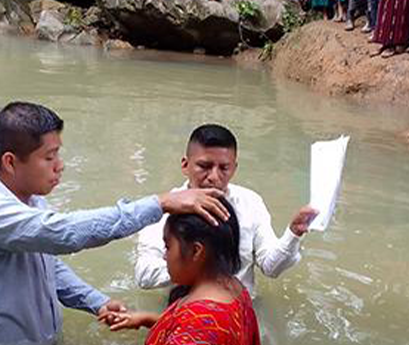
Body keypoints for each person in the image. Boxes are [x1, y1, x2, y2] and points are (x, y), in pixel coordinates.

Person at [0, 102, 229, 345]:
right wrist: (161, 203)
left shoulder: (29, 198)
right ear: (10, 162)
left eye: (58, 153)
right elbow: (64, 234)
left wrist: (97, 302)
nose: (60, 165)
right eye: (49, 157)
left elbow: (48, 265)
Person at [134, 124, 316, 297]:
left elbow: (271, 268)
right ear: (185, 165)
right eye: (204, 166)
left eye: (224, 168)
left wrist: (293, 234)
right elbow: (143, 274)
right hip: (182, 308)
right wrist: (201, 272)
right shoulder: (166, 208)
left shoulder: (249, 203)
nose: (214, 177)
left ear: (234, 168)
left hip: (238, 309)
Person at [109, 198, 259, 345]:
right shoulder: (233, 288)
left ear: (197, 251)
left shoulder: (196, 330)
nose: (164, 256)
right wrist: (149, 319)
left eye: (168, 246)